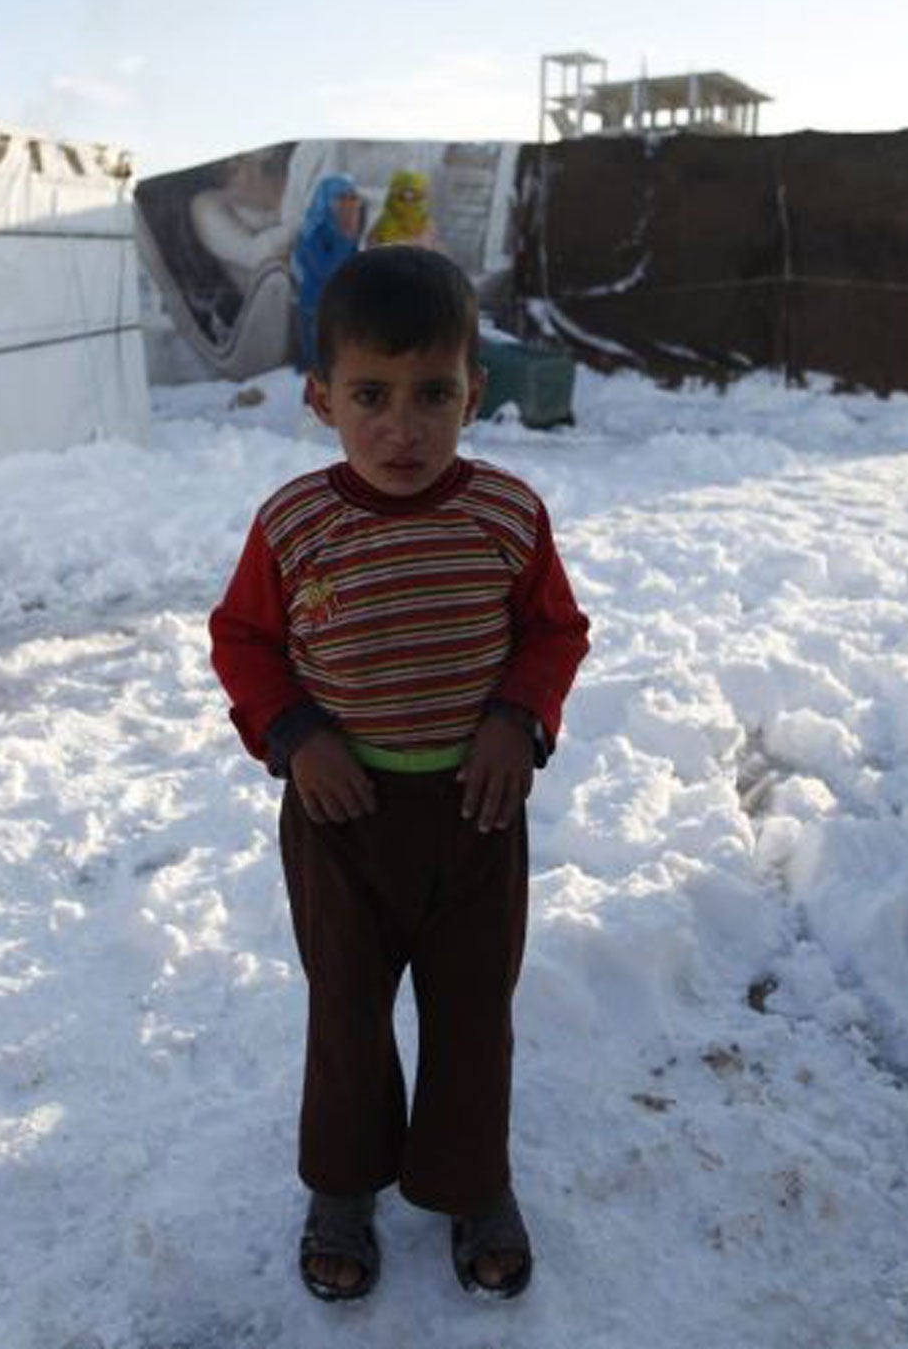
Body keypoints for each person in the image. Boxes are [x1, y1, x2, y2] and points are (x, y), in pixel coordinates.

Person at [209, 245, 588, 1303]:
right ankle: (342, 1183)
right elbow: (242, 643)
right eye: (370, 395)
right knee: (347, 1010)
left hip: (475, 815)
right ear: (322, 398)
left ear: (474, 391)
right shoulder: (294, 527)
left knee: (474, 1010)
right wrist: (296, 736)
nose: (401, 426)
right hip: (341, 817)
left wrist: (519, 719)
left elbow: (552, 634)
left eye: (431, 396)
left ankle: (472, 1182)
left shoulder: (505, 516)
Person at [289, 174, 364, 370]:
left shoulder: (345, 227)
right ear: (326, 200)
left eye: (352, 198)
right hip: (316, 309)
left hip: (342, 308)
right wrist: (345, 240)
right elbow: (326, 270)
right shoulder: (311, 233)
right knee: (318, 367)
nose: (347, 204)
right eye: (341, 198)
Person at [366, 168, 436, 249]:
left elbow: (433, 254)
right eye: (402, 196)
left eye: (414, 196)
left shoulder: (425, 225)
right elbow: (371, 254)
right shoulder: (383, 225)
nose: (408, 202)